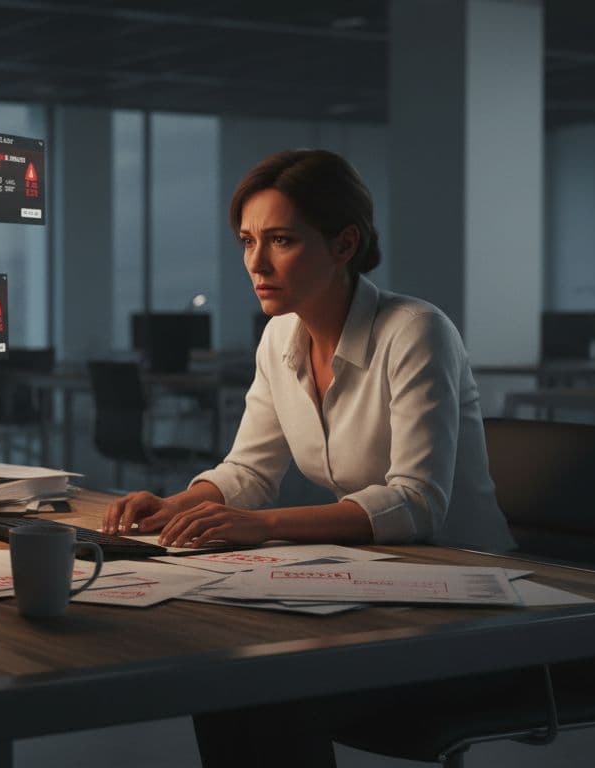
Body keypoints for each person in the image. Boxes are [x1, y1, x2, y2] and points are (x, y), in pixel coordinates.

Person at [101, 148, 515, 767]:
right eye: (247, 241)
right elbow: (248, 471)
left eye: (281, 240)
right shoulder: (278, 337)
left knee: (263, 691)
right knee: (223, 675)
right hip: (375, 586)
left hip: (465, 602)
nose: (255, 264)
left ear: (344, 244)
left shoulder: (416, 331)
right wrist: (179, 503)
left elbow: (417, 502)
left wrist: (260, 525)